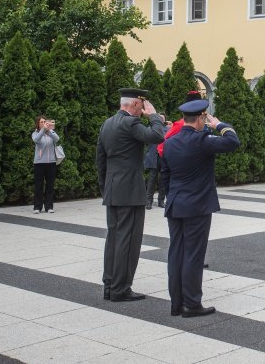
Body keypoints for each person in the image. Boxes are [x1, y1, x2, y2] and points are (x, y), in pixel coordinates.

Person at [160, 97, 239, 317]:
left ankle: (176, 303)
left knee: (176, 253)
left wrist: (171, 197)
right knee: (193, 255)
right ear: (201, 117)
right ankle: (192, 304)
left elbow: (164, 176)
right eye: (205, 118)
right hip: (197, 207)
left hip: (175, 205)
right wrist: (219, 125)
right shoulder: (202, 140)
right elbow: (233, 141)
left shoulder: (170, 142)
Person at [97, 88, 165, 302]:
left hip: (113, 190)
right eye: (141, 106)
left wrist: (105, 188)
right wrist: (154, 116)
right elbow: (157, 136)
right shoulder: (131, 123)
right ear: (135, 105)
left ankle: (109, 285)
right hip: (130, 192)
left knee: (113, 239)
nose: (142, 109)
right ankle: (121, 289)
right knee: (128, 241)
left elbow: (100, 161)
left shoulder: (107, 124)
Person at [32, 115, 59, 214]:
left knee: (50, 185)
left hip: (51, 162)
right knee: (39, 185)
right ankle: (37, 207)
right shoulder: (35, 133)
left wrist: (50, 130)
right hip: (39, 163)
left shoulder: (51, 133)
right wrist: (43, 130)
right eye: (42, 122)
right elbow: (36, 140)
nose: (44, 124)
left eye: (45, 122)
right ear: (38, 124)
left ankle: (49, 206)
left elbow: (57, 139)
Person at [144, 114, 167, 210]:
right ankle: (148, 201)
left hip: (164, 157)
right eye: (159, 118)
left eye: (163, 118)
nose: (161, 119)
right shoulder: (150, 129)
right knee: (151, 180)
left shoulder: (168, 129)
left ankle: (161, 201)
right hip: (153, 156)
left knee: (163, 180)